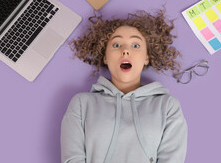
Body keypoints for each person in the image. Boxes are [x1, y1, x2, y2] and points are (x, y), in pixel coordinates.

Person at [61, 9, 188, 163]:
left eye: (135, 45)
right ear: (105, 57)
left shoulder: (168, 107)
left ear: (147, 57)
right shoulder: (82, 104)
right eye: (116, 44)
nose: (125, 51)